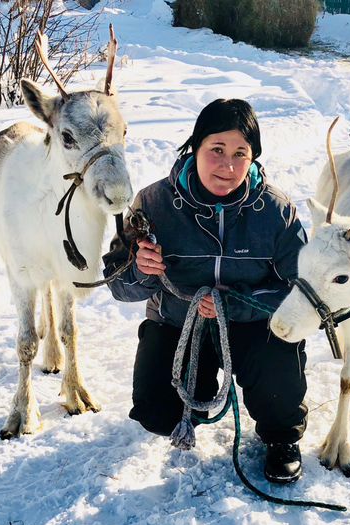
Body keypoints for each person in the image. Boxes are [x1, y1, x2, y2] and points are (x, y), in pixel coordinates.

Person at [102, 99, 308, 483]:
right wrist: (140, 269)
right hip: (179, 324)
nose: (227, 166)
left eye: (239, 154)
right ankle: (193, 400)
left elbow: (300, 292)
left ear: (253, 158)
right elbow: (119, 286)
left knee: (278, 369)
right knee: (157, 413)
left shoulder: (276, 212)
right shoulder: (153, 203)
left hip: (252, 327)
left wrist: (236, 304)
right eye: (216, 150)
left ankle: (281, 436)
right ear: (194, 147)